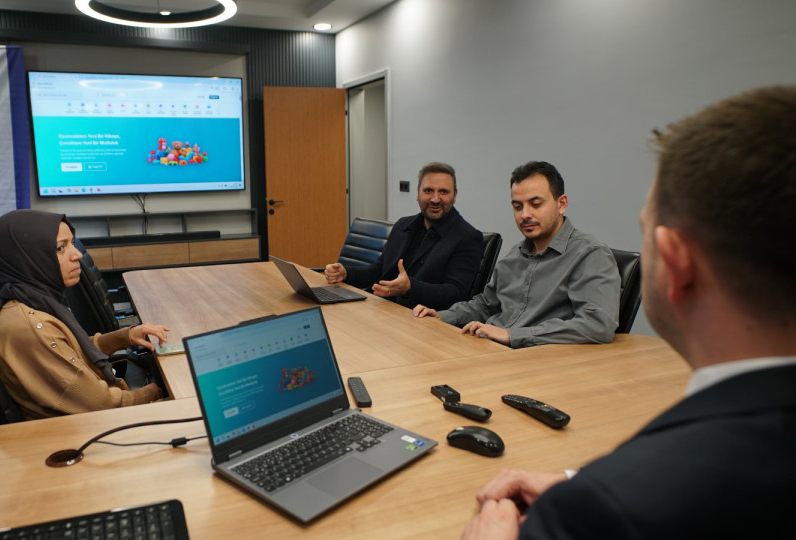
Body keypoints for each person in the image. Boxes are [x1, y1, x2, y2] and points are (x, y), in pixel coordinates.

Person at [462, 86, 796, 539]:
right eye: (518, 205)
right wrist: (574, 479)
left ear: (674, 263)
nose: (524, 213)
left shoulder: (608, 509)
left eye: (645, 233)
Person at [0, 209, 167, 420]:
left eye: (72, 243)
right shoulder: (30, 327)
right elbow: (102, 405)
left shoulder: (31, 300)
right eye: (60, 248)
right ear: (27, 259)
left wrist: (126, 336)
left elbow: (72, 349)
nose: (77, 254)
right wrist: (155, 392)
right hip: (79, 430)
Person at [413, 161, 620, 348]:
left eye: (536, 204)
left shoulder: (589, 254)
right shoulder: (515, 254)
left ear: (561, 204)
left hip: (532, 361)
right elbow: (486, 305)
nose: (525, 215)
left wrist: (512, 335)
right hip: (487, 348)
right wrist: (442, 317)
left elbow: (597, 324)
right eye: (517, 207)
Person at [324, 162, 484, 310]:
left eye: (443, 192)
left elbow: (455, 294)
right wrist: (346, 273)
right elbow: (379, 271)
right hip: (383, 309)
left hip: (421, 320)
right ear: (417, 194)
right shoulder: (404, 225)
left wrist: (410, 288)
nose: (435, 199)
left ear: (455, 195)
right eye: (428, 191)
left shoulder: (468, 237)